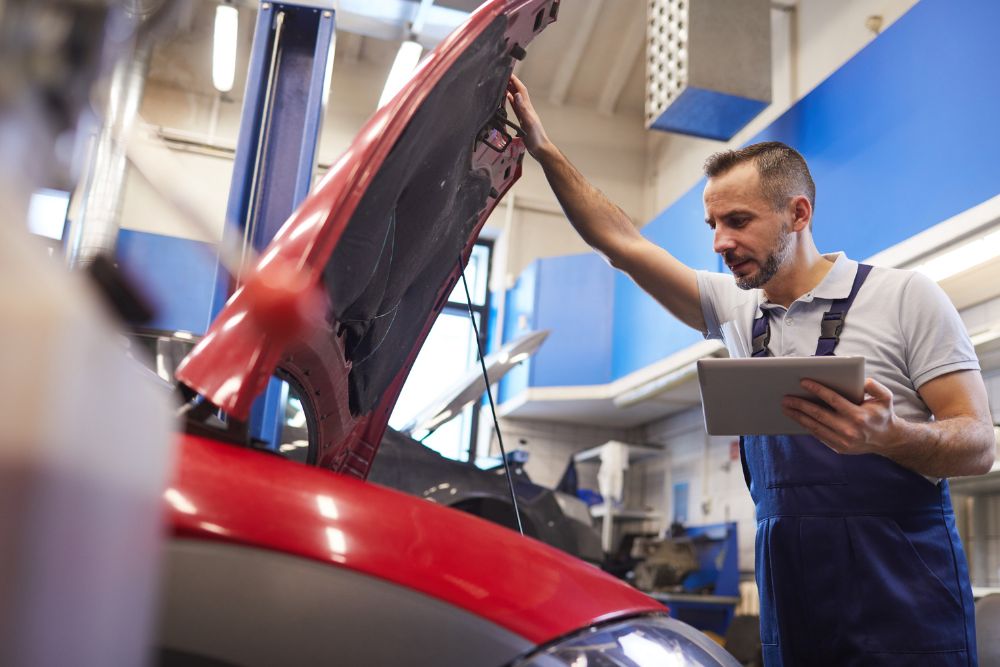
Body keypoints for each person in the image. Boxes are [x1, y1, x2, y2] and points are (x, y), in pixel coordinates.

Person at [506, 75, 996, 666]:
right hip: (791, 588)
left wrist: (893, 437)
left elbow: (977, 445)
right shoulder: (737, 310)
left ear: (798, 213)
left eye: (738, 221)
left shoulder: (906, 297)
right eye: (712, 225)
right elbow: (622, 244)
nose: (720, 242)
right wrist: (543, 148)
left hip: (903, 593)